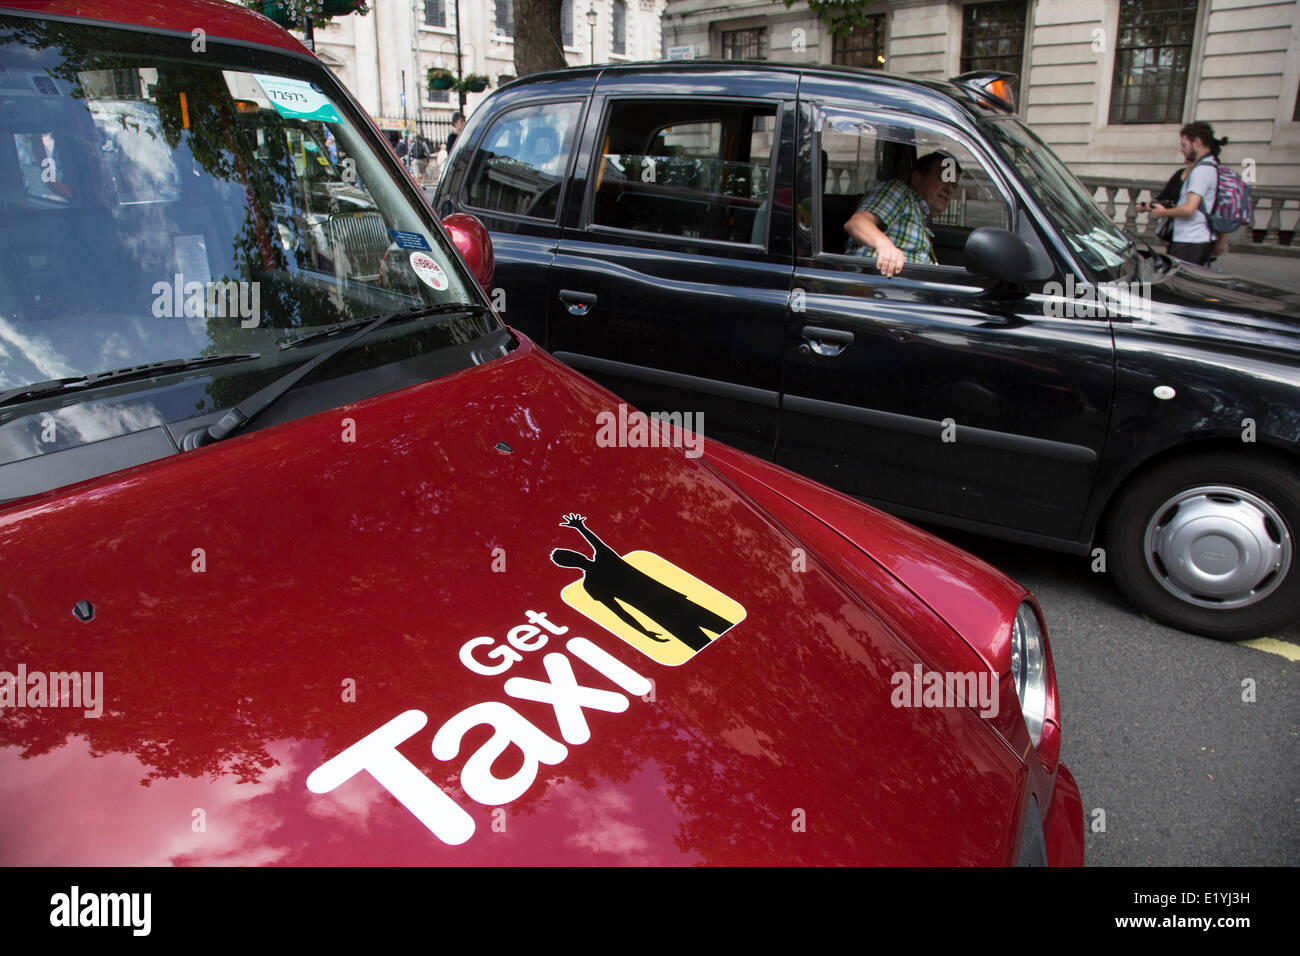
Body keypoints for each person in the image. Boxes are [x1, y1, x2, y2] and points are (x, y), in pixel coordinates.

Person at [844, 151, 961, 276]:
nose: (949, 189)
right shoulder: (899, 191)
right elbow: (857, 223)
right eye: (944, 178)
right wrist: (885, 247)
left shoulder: (919, 216)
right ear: (917, 179)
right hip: (874, 284)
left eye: (954, 186)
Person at [1136, 122, 1219, 266]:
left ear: (1197, 142)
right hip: (1196, 240)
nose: (1182, 150)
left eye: (1184, 145)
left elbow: (1189, 208)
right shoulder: (1210, 166)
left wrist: (1164, 213)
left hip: (1190, 241)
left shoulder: (1201, 171)